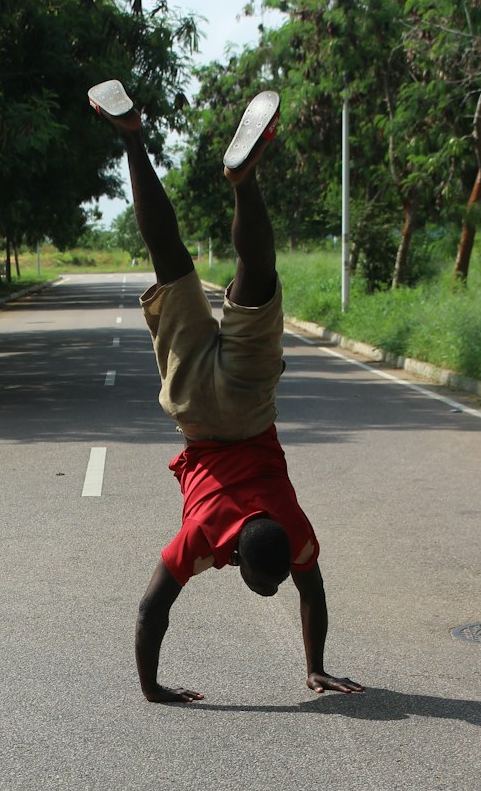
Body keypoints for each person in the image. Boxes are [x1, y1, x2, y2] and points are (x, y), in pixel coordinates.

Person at [87, 78, 364, 705]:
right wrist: (150, 686)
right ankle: (131, 139)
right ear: (237, 552)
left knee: (256, 279)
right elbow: (151, 605)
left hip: (245, 402)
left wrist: (315, 661)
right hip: (196, 412)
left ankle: (243, 182)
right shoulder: (206, 534)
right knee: (170, 263)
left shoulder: (291, 528)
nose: (264, 588)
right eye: (262, 583)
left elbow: (310, 587)